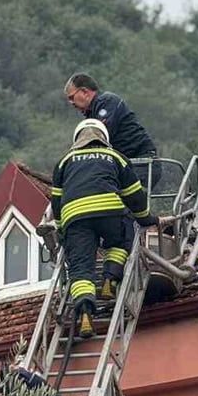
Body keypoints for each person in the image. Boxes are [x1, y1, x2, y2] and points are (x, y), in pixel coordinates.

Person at [50, 118, 156, 338]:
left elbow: (56, 203)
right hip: (110, 212)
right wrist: (145, 218)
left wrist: (62, 230)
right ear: (104, 137)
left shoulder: (64, 161)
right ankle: (110, 278)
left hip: (75, 218)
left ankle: (86, 313)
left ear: (77, 139)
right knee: (122, 239)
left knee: (80, 268)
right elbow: (134, 195)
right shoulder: (115, 157)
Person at [63, 73, 161, 192]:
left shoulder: (107, 102)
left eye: (72, 97)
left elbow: (96, 141)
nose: (71, 103)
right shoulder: (91, 116)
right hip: (124, 166)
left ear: (84, 92)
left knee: (125, 201)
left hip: (142, 164)